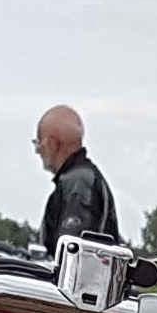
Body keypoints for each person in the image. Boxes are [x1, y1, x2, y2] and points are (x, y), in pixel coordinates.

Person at [34, 105, 120, 251]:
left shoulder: (78, 184)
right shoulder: (83, 179)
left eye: (38, 142)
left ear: (52, 144)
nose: (37, 150)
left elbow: (71, 250)